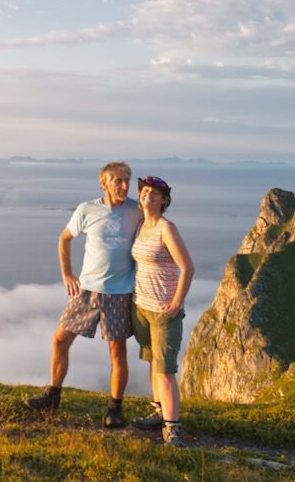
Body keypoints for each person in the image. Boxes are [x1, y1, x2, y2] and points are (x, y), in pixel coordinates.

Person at [24, 161, 142, 428]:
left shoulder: (137, 210)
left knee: (117, 352)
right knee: (60, 340)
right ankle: (53, 396)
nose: (124, 186)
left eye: (127, 180)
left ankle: (115, 408)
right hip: (87, 290)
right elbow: (64, 238)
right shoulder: (87, 209)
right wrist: (67, 274)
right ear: (104, 183)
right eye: (118, 181)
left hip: (120, 292)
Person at [129, 175, 195, 447]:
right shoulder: (141, 226)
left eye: (154, 194)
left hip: (163, 311)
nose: (148, 196)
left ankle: (172, 428)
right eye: (144, 192)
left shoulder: (167, 228)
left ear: (164, 200)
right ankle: (159, 413)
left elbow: (187, 267)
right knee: (153, 362)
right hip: (141, 306)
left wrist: (177, 302)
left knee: (166, 369)